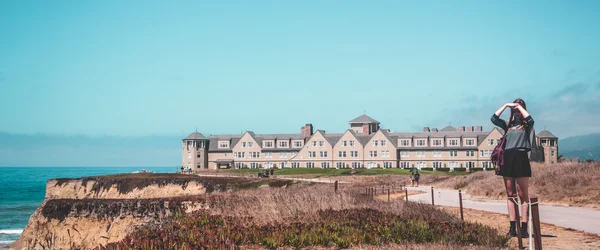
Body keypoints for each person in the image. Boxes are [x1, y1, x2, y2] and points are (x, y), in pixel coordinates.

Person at [491, 98, 535, 238]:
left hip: (521, 158)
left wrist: (520, 107)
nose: (516, 112)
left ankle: (524, 228)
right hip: (508, 158)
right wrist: (505, 105)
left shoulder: (527, 125)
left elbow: (530, 119)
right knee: (510, 195)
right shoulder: (507, 125)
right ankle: (512, 228)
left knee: (523, 195)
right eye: (514, 110)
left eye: (519, 109)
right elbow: (493, 118)